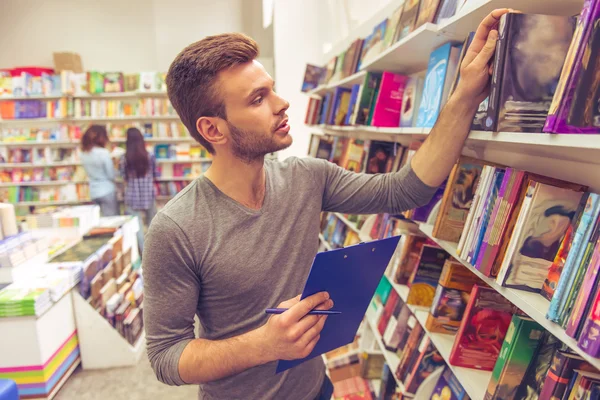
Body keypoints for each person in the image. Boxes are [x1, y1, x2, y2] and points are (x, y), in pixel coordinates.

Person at [143, 9, 508, 400]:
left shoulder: (307, 177)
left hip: (317, 389)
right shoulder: (176, 228)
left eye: (272, 89)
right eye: (258, 99)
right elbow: (166, 355)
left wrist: (466, 93)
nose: (282, 104)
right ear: (213, 129)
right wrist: (263, 344)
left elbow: (404, 191)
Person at [119, 127, 159, 255]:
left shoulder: (124, 158)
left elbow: (123, 176)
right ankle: (156, 254)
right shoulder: (150, 156)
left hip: (132, 196)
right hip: (148, 194)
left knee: (137, 229)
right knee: (153, 226)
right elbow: (155, 174)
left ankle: (144, 256)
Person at [80, 125, 118, 216]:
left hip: (93, 191)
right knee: (110, 221)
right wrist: (115, 164)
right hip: (107, 190)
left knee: (98, 221)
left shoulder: (83, 154)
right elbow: (111, 175)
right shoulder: (103, 153)